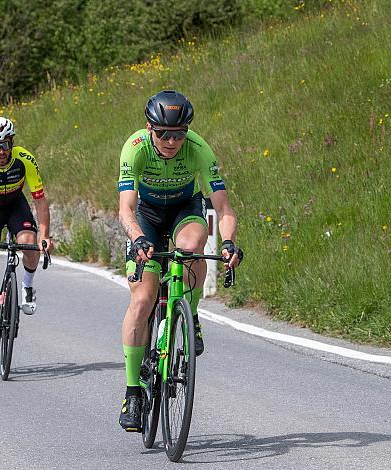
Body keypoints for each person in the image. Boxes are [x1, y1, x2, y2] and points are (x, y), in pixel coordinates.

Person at [117, 90, 243, 431]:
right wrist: (138, 238)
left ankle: (191, 312)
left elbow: (224, 208)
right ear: (149, 129)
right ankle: (133, 393)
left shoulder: (199, 150)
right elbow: (125, 208)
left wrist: (229, 242)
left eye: (179, 133)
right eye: (163, 134)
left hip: (185, 209)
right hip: (146, 215)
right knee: (142, 300)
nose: (172, 141)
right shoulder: (135, 148)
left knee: (190, 247)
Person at [0, 116, 53, 361]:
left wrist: (44, 236)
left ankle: (27, 286)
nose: (1, 151)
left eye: (5, 144)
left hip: (16, 206)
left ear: (12, 142)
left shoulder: (25, 159)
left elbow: (39, 199)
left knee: (29, 242)